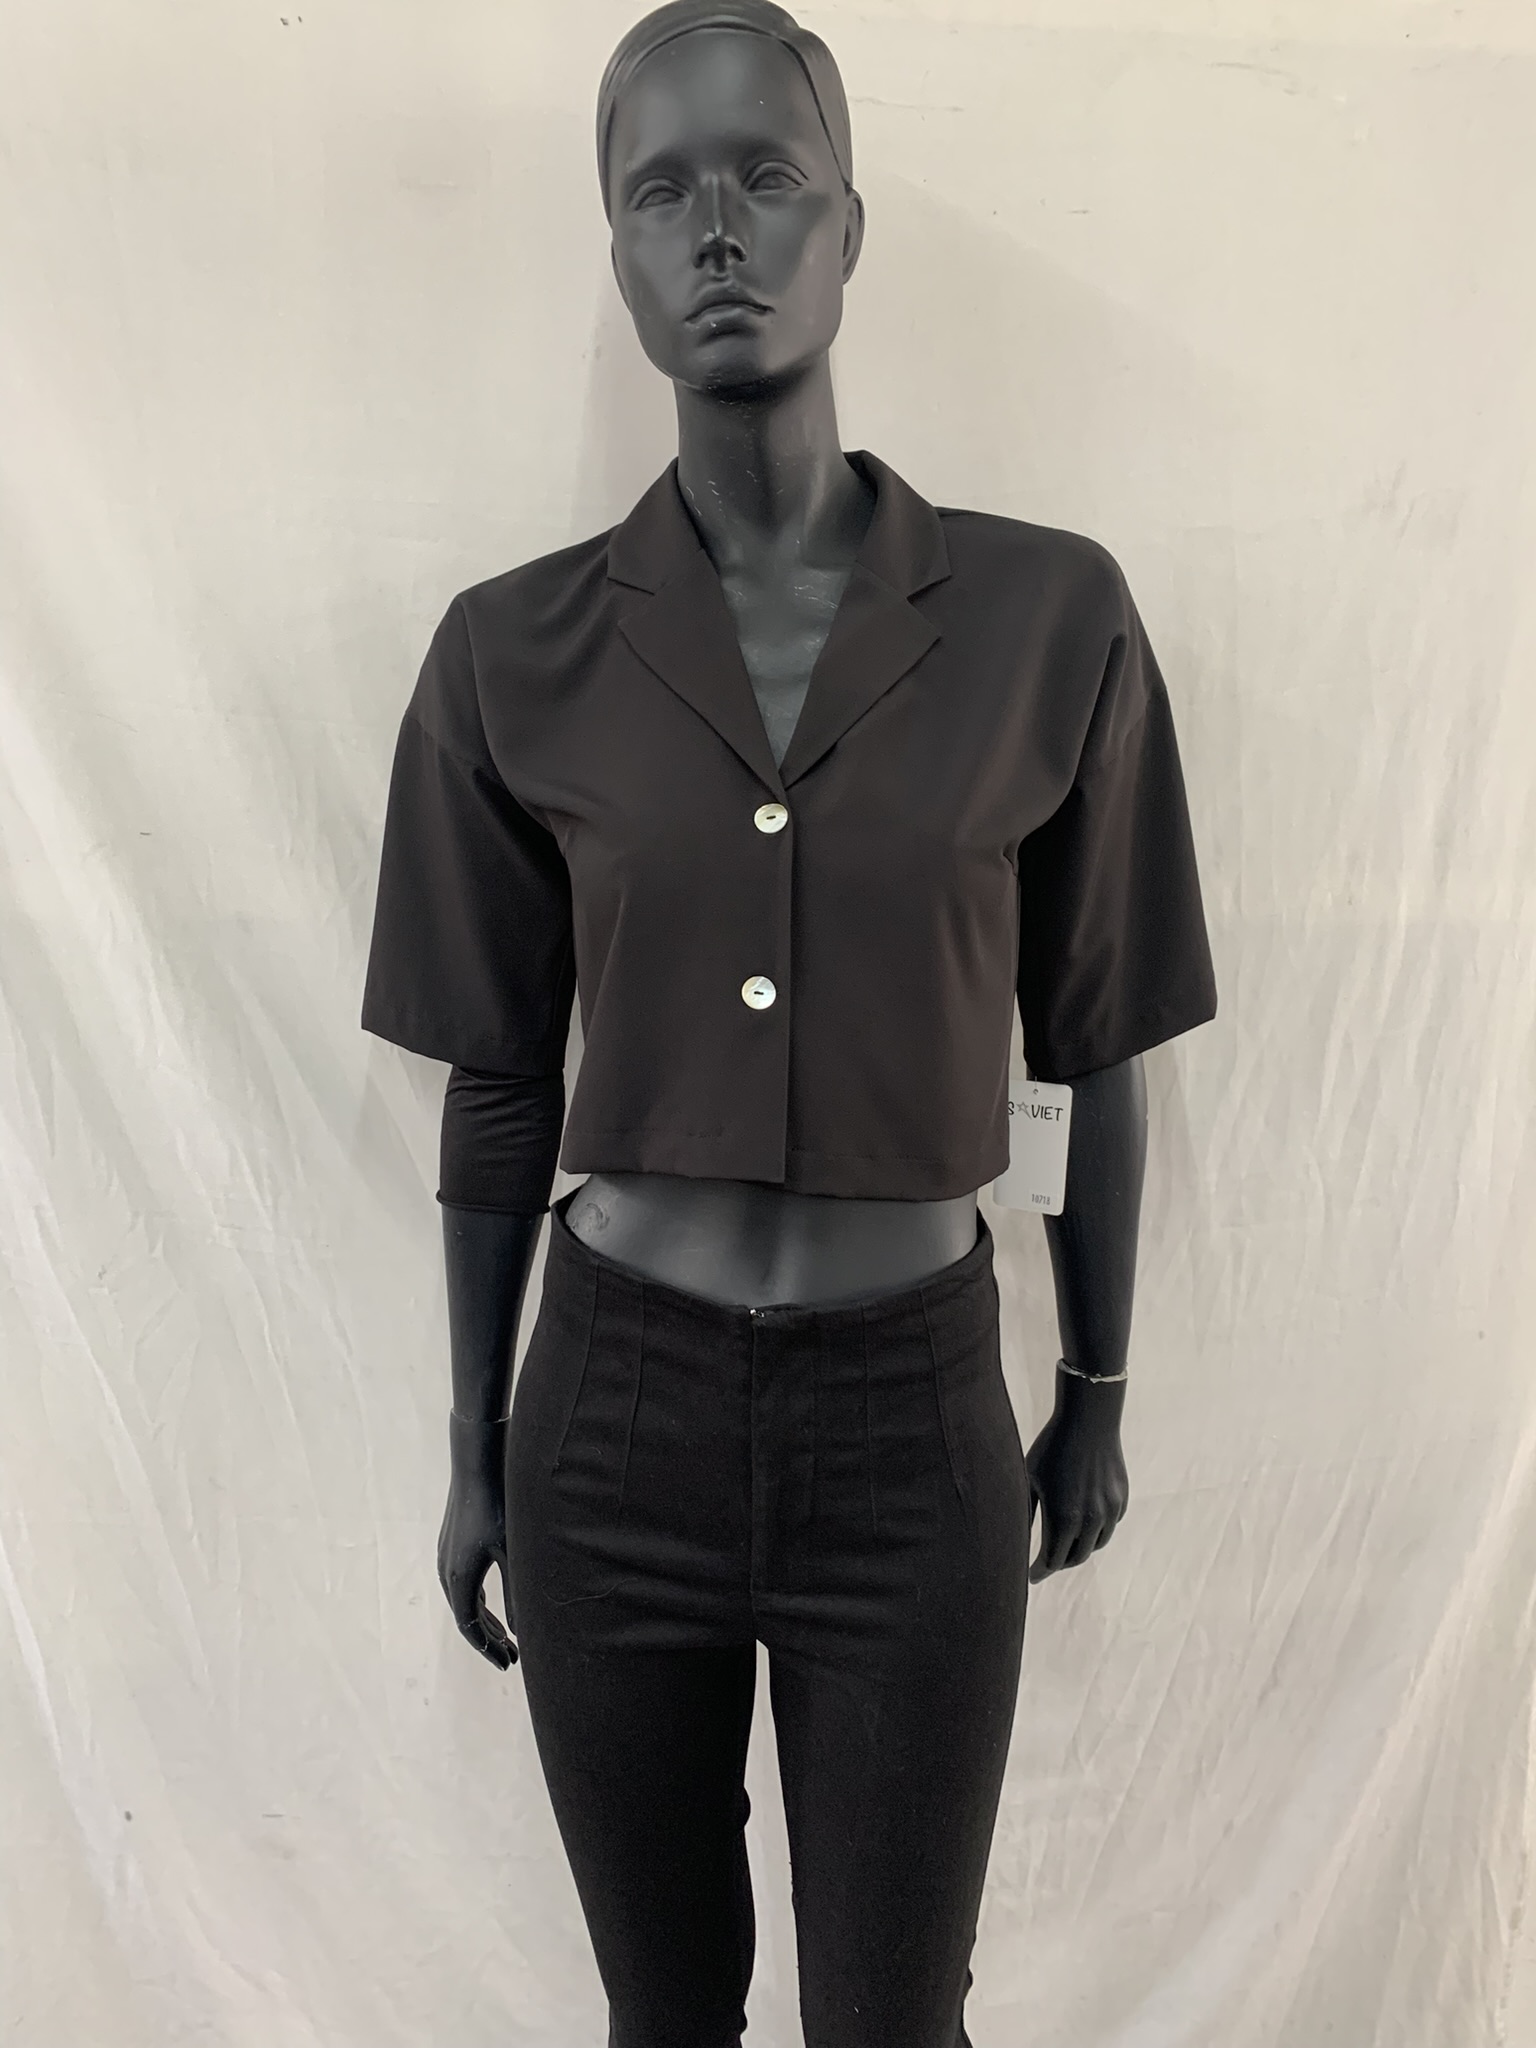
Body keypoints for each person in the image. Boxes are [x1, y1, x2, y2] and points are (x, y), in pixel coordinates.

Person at [360, 5, 1217, 2043]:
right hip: (609, 1428)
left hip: (909, 1430)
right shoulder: (511, 652)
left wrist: (1096, 1383)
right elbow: (502, 1081)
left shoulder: (1051, 621)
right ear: (617, 254)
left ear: (851, 227)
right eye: (661, 191)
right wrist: (480, 1446)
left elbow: (1098, 1044)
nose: (718, 230)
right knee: (665, 2018)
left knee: (894, 2022)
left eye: (767, 176)